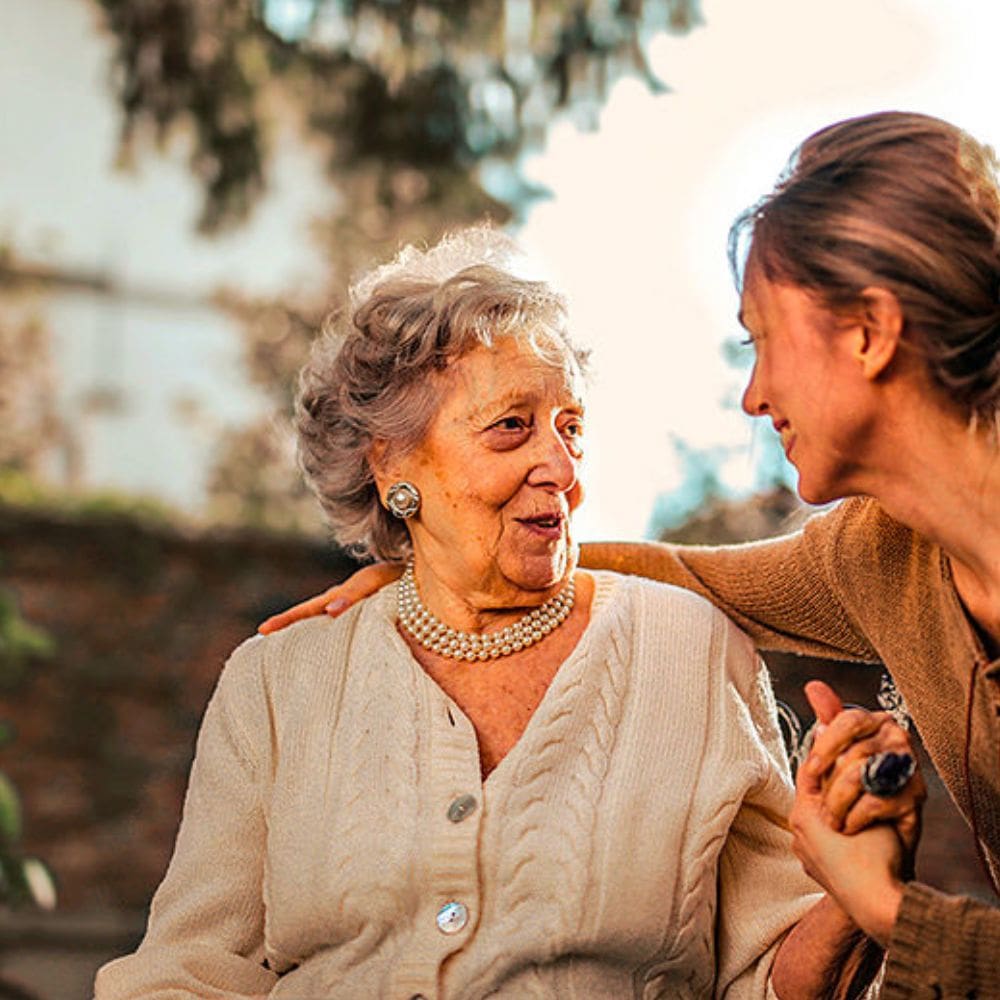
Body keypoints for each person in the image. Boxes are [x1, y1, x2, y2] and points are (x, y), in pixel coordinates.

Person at [261, 111, 1000, 996]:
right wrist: (445, 555)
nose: (753, 395)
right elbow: (690, 576)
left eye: (762, 339)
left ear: (871, 332)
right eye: (509, 428)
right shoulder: (880, 557)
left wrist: (884, 908)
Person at [95, 229, 878, 998]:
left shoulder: (692, 653)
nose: (562, 467)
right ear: (391, 463)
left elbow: (769, 978)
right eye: (511, 427)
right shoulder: (277, 682)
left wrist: (856, 890)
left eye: (571, 428)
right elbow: (187, 973)